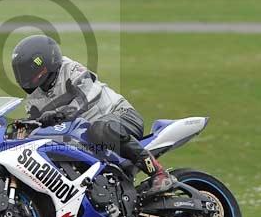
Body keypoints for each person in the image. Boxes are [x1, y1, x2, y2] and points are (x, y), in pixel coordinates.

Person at [10, 34, 172, 194]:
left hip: (121, 116)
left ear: (45, 61)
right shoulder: (33, 99)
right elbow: (35, 131)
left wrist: (59, 114)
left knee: (100, 129)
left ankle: (158, 173)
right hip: (87, 138)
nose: (25, 76)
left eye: (28, 69)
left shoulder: (70, 69)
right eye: (20, 72)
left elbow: (87, 96)